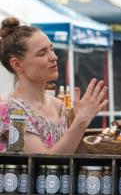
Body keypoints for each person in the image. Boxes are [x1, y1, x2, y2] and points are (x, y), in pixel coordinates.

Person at [0, 17, 108, 154]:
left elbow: (71, 155)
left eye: (51, 49)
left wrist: (81, 123)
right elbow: (39, 165)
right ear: (17, 64)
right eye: (42, 53)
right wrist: (79, 123)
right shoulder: (10, 110)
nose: (54, 57)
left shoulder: (59, 105)